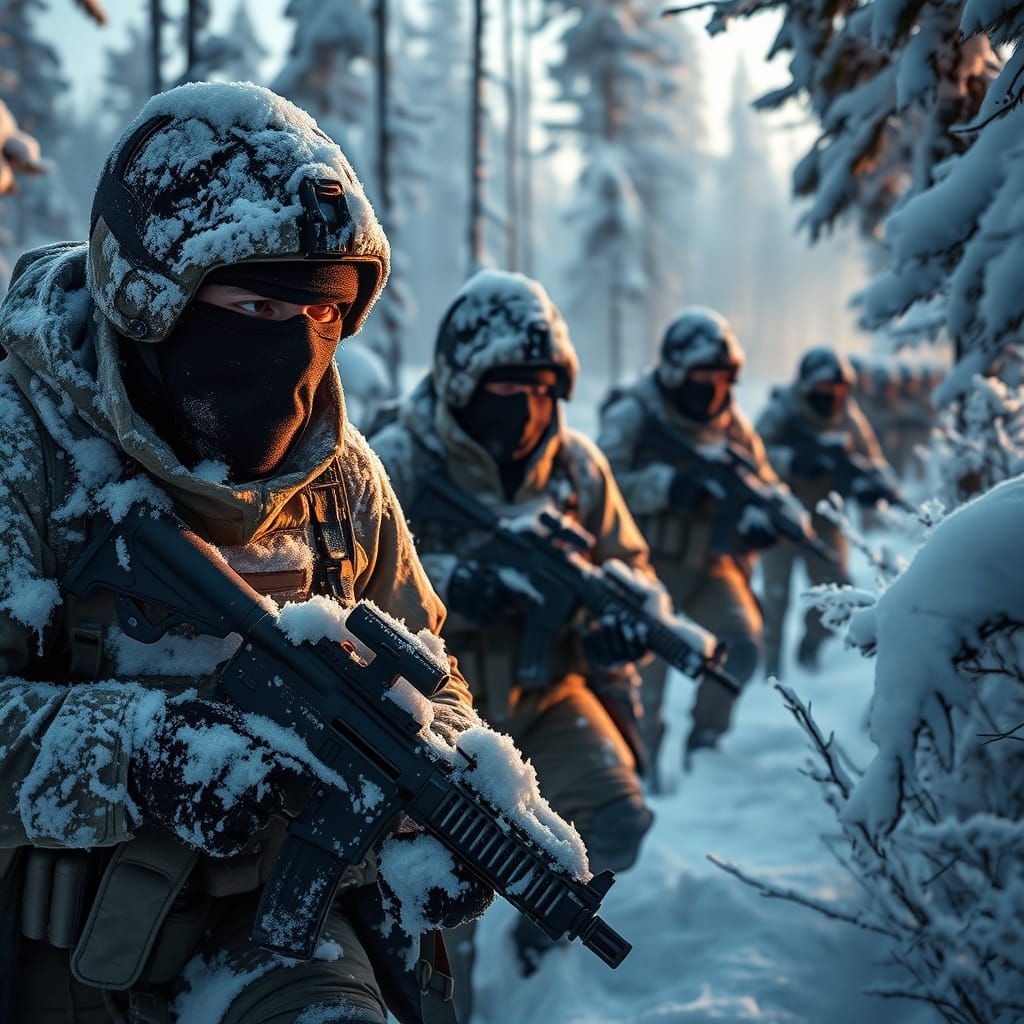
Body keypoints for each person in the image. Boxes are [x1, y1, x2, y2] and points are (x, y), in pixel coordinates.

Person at [0, 82, 492, 1024]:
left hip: (292, 952)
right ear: (150, 297)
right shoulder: (26, 449)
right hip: (57, 973)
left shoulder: (342, 480)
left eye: (323, 316)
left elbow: (433, 681)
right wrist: (137, 751)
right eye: (260, 307)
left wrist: (444, 806)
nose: (295, 352)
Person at [371, 269, 655, 1006]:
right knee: (439, 908)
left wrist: (621, 624)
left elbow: (628, 566)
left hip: (549, 695)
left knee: (618, 823)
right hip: (435, 714)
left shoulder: (577, 468)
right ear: (462, 379)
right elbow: (345, 586)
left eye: (541, 386)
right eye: (506, 385)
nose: (525, 404)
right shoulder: (397, 460)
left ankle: (537, 936)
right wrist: (453, 584)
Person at [597, 307, 779, 771]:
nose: (713, 386)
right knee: (643, 687)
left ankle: (706, 743)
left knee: (742, 647)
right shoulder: (634, 413)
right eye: (702, 374)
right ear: (677, 370)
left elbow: (763, 482)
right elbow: (600, 485)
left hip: (711, 565)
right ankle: (642, 773)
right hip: (645, 567)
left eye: (722, 376)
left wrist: (758, 518)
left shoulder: (731, 424)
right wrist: (667, 486)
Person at [756, 346, 892, 675]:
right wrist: (792, 462)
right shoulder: (781, 412)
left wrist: (869, 485)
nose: (830, 394)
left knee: (838, 592)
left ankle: (811, 647)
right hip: (780, 516)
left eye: (837, 387)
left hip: (825, 517)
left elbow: (872, 461)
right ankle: (770, 672)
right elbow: (752, 456)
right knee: (775, 599)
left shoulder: (847, 417)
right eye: (823, 386)